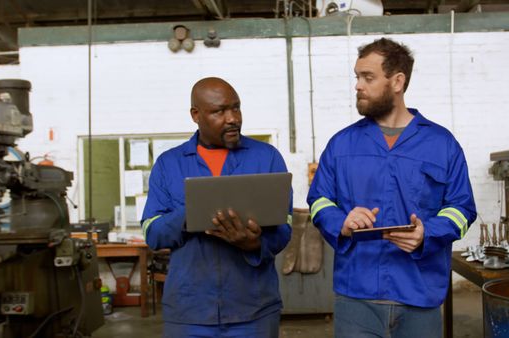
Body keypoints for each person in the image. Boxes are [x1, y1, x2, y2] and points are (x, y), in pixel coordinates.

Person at [307, 38, 476, 337]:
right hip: (356, 297)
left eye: (368, 77)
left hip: (420, 296)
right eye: (357, 77)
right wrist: (342, 222)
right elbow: (319, 200)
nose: (358, 86)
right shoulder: (341, 144)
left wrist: (428, 233)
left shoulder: (442, 144)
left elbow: (462, 209)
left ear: (397, 81)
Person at [142, 77, 292, 338]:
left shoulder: (266, 157)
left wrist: (254, 244)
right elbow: (153, 234)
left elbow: (284, 228)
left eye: (236, 107)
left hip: (253, 310)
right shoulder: (169, 164)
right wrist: (192, 212)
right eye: (219, 111)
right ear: (196, 115)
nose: (232, 118)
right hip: (189, 312)